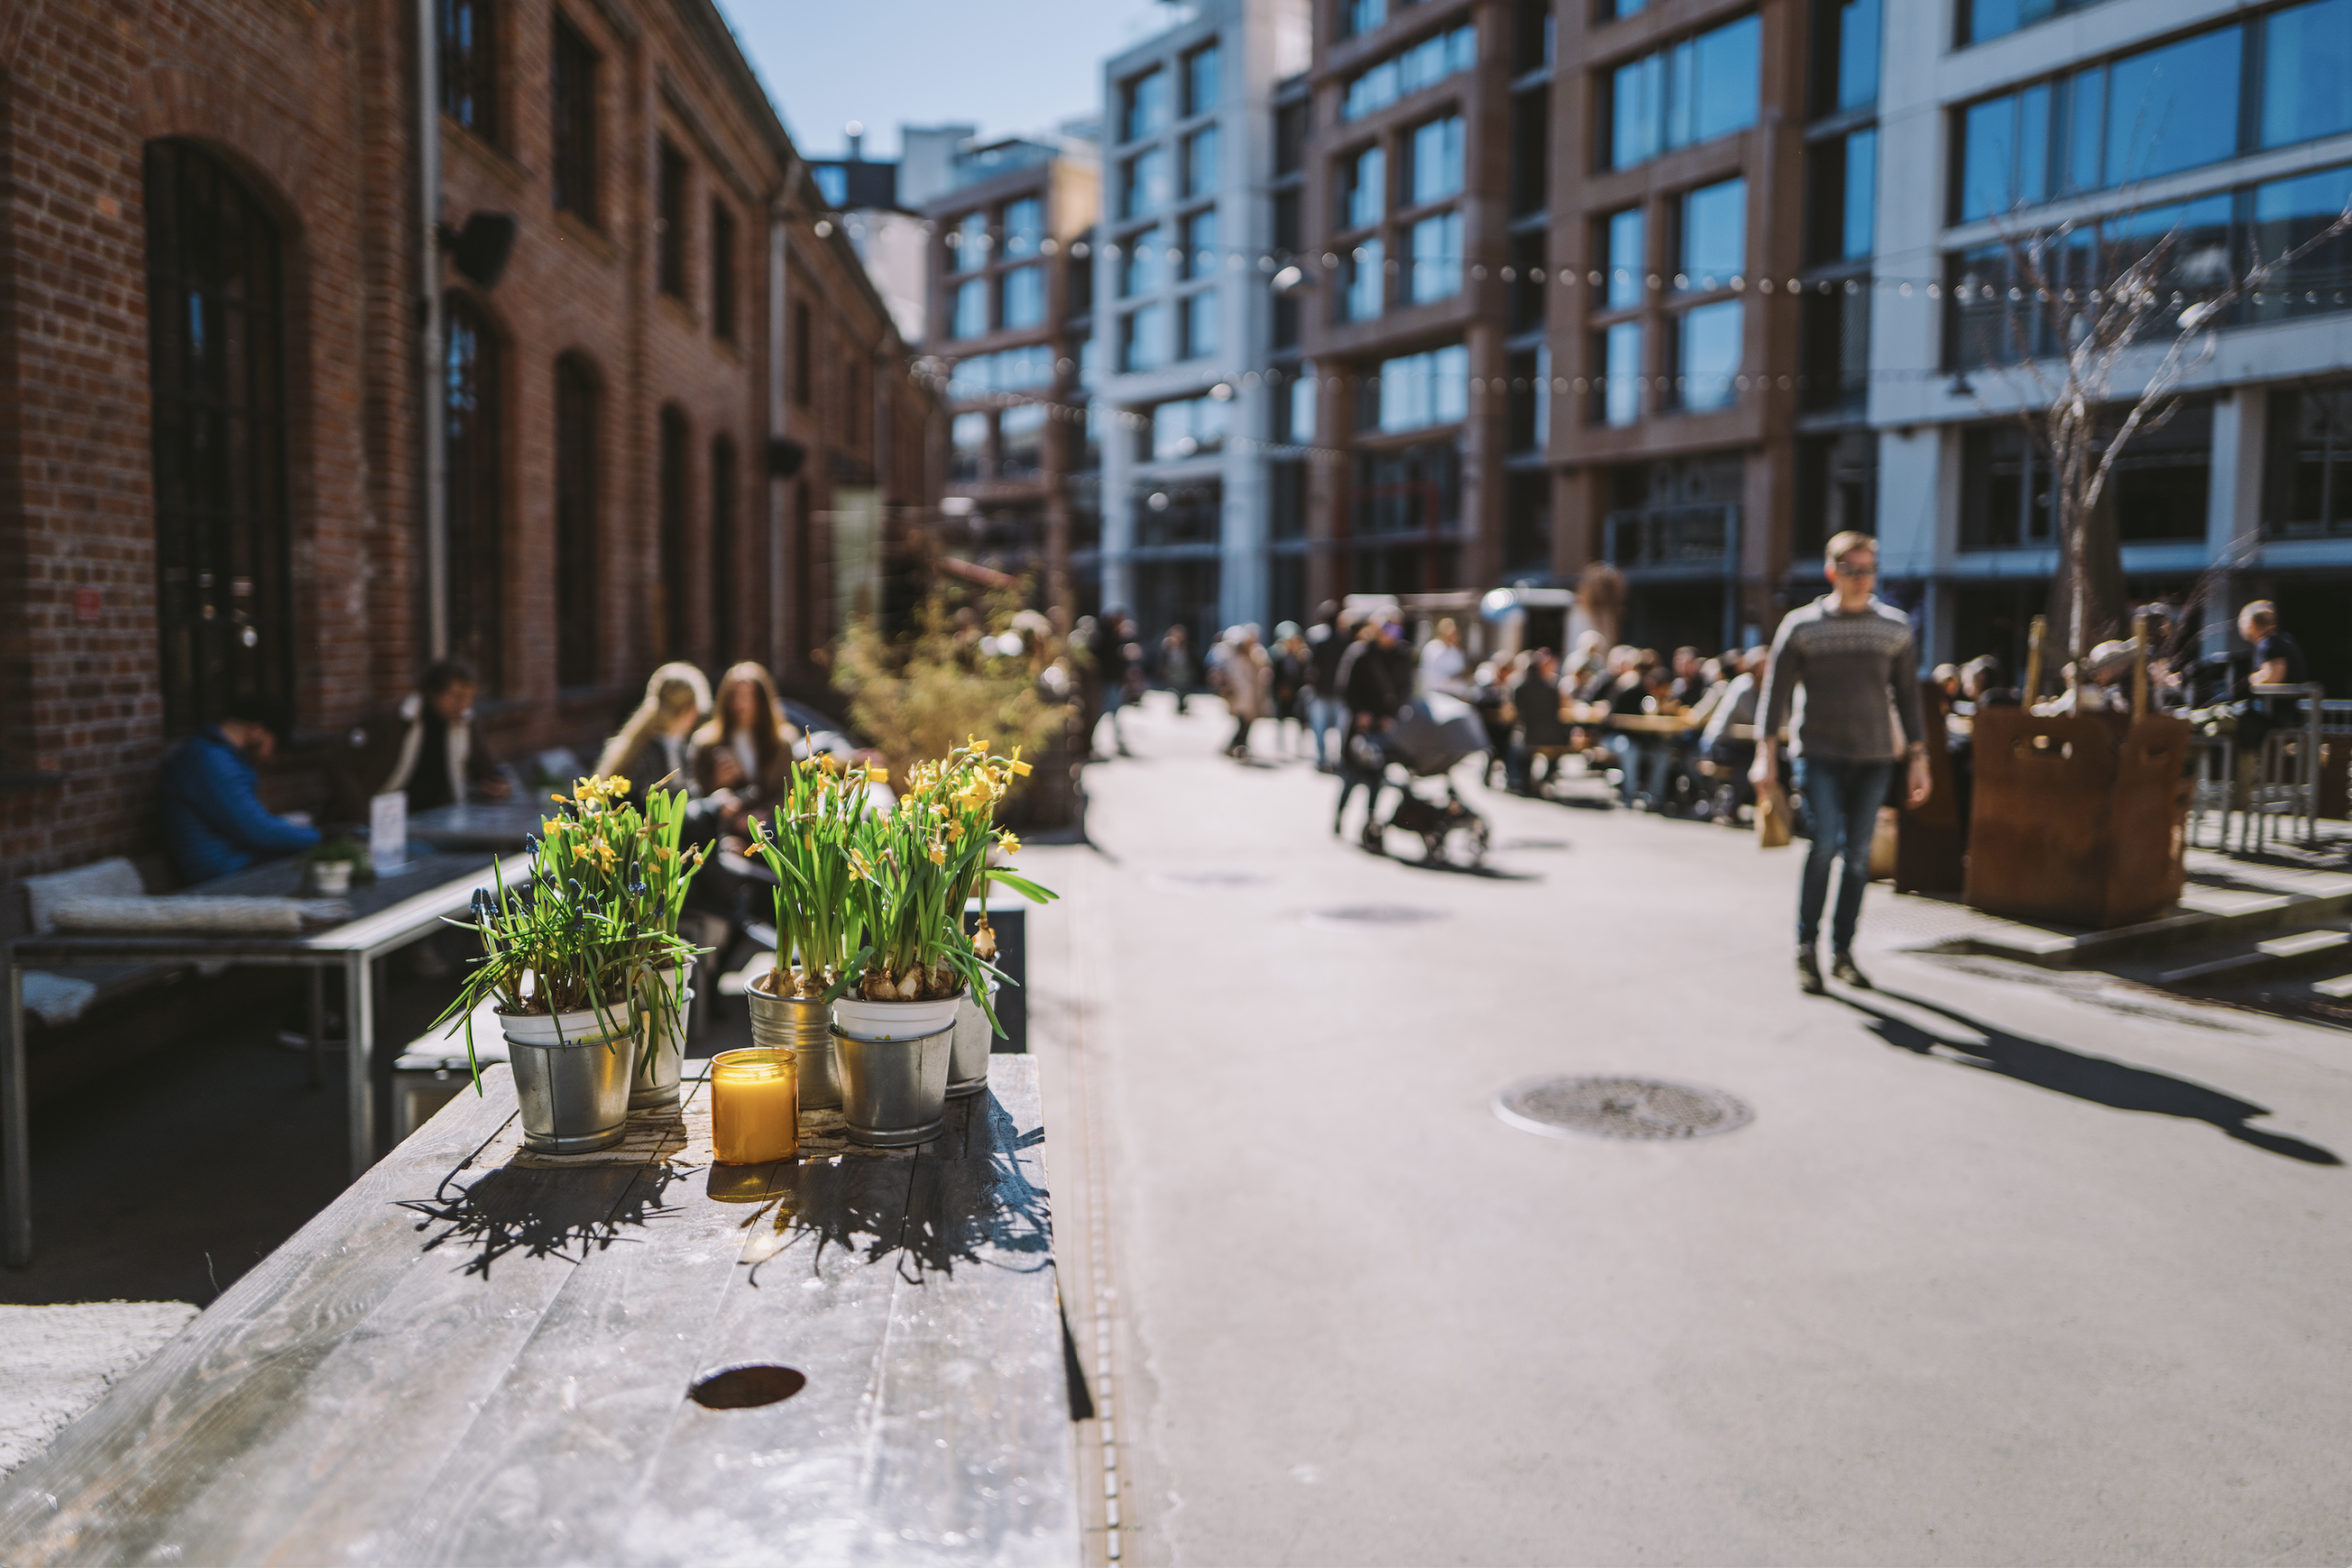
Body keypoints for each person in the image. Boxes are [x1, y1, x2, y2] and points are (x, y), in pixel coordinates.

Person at [1754, 532, 1930, 994]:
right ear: (1832, 572)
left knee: (1857, 858)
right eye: (1852, 570)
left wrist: (1919, 759)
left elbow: (1910, 699)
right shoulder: (1801, 626)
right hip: (1819, 755)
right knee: (1826, 844)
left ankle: (1843, 952)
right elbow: (1775, 695)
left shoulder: (1894, 628)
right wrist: (1765, 754)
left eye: (1869, 569)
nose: (1861, 579)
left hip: (1875, 757)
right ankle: (1806, 948)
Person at [161, 701, 322, 884]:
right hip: (224, 876)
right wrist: (321, 837)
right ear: (257, 730)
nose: (270, 756)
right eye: (274, 744)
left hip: (240, 865)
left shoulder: (217, 757)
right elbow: (258, 831)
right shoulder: (211, 761)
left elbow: (252, 823)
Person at [369, 658, 513, 813]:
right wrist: (363, 816)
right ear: (433, 692)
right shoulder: (399, 719)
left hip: (444, 815)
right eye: (455, 696)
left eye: (468, 697)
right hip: (394, 814)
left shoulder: (466, 722)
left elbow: (486, 764)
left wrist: (498, 783)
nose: (462, 705)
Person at [1334, 617, 1408, 846]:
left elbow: (1405, 689)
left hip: (1384, 728)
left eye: (1397, 629)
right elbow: (1345, 687)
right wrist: (1359, 713)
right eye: (1388, 629)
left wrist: (1392, 716)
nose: (1392, 634)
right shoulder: (1360, 652)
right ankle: (1339, 815)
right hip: (1359, 727)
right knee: (1352, 776)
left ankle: (1370, 821)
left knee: (1377, 778)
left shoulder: (1401, 655)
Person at [595, 661, 714, 802]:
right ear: (690, 710)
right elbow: (667, 810)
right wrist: (713, 807)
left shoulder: (669, 744)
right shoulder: (652, 753)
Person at [694, 661, 797, 814]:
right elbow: (696, 800)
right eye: (733, 697)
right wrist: (716, 787)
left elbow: (790, 793)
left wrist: (764, 814)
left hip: (769, 829)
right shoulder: (706, 745)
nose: (740, 704)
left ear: (762, 702)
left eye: (748, 697)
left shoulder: (781, 744)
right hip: (725, 831)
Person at [1305, 602, 1351, 773]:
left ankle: (1323, 759)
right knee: (1339, 730)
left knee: (1320, 728)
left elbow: (1311, 667)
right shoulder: (1345, 640)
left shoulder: (1318, 640)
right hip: (1338, 691)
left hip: (1322, 690)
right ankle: (1338, 759)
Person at [1217, 625, 1273, 759]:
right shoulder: (1235, 654)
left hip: (1253, 694)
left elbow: (1265, 668)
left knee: (1247, 722)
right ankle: (1236, 745)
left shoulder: (1257, 653)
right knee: (1243, 722)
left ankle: (1239, 746)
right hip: (1240, 694)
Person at [1271, 622, 1310, 753]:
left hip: (1297, 694)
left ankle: (1299, 746)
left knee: (1300, 719)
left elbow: (1305, 676)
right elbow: (1274, 677)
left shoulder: (1302, 658)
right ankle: (1280, 745)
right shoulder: (1278, 657)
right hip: (1282, 693)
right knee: (1281, 719)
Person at [1419, 616, 1469, 697]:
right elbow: (1430, 675)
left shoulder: (1455, 651)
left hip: (1455, 692)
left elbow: (1459, 671)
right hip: (1435, 693)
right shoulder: (1432, 648)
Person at [1160, 624, 1195, 716]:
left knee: (1184, 688)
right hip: (1174, 671)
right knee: (1177, 687)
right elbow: (1164, 658)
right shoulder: (1170, 643)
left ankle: (1182, 703)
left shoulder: (1188, 646)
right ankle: (1179, 703)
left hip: (1184, 671)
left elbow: (1192, 659)